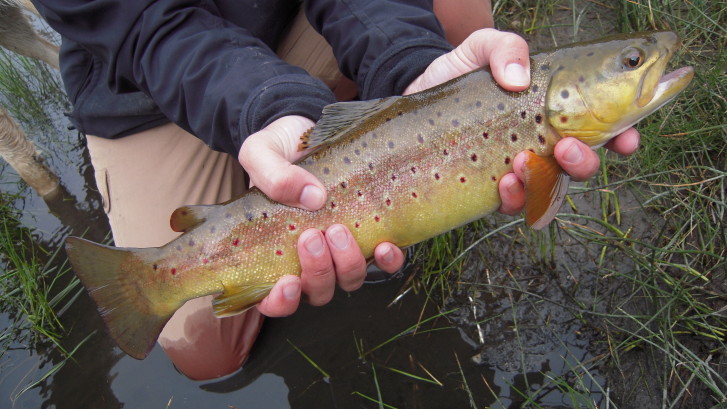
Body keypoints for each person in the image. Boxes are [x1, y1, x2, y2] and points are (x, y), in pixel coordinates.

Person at [33, 0, 640, 380]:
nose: (645, 66)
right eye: (633, 64)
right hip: (150, 72)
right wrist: (268, 106)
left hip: (296, 10)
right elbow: (146, 25)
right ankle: (165, 270)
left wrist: (411, 77)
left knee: (458, 15)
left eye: (629, 63)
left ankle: (365, 110)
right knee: (206, 354)